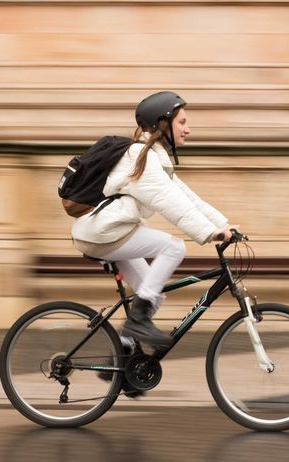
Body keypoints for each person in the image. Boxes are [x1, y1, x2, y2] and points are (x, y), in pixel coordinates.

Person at [71, 91, 234, 349]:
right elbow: (173, 205)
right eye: (182, 122)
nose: (188, 129)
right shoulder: (142, 159)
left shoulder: (154, 159)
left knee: (152, 296)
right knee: (174, 247)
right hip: (104, 235)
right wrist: (209, 233)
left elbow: (189, 199)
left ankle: (126, 355)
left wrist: (223, 225)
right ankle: (137, 322)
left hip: (111, 233)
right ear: (163, 124)